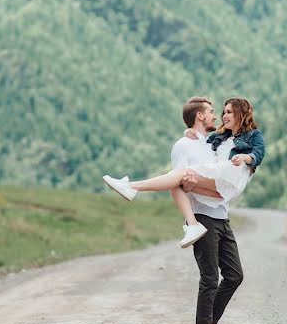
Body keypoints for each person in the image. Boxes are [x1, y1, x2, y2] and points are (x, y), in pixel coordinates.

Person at [104, 96, 263, 324]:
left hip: (222, 216)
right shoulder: (183, 146)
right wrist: (191, 217)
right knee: (210, 277)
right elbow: (175, 184)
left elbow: (225, 171)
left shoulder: (211, 143)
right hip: (203, 218)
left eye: (223, 112)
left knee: (235, 276)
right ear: (200, 116)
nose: (218, 116)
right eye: (214, 112)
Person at [102, 96, 264, 249]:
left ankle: (131, 186)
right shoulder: (221, 137)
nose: (222, 116)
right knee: (177, 180)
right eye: (222, 112)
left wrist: (245, 157)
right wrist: (188, 132)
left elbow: (258, 154)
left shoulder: (253, 134)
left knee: (178, 175)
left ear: (240, 112)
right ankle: (192, 225)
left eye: (228, 112)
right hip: (222, 188)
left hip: (231, 176)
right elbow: (204, 140)